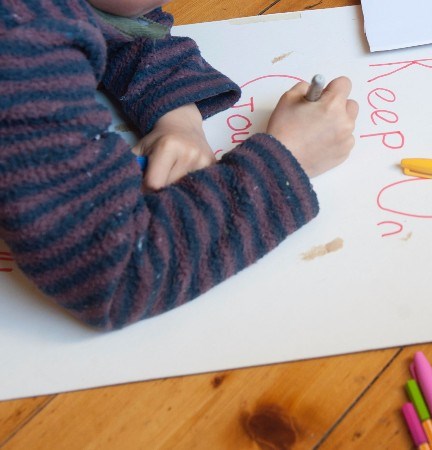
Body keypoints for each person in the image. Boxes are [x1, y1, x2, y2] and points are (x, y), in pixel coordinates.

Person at [0, 0, 359, 330]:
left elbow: (118, 24)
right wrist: (288, 159)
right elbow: (113, 272)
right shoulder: (20, 46)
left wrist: (178, 118)